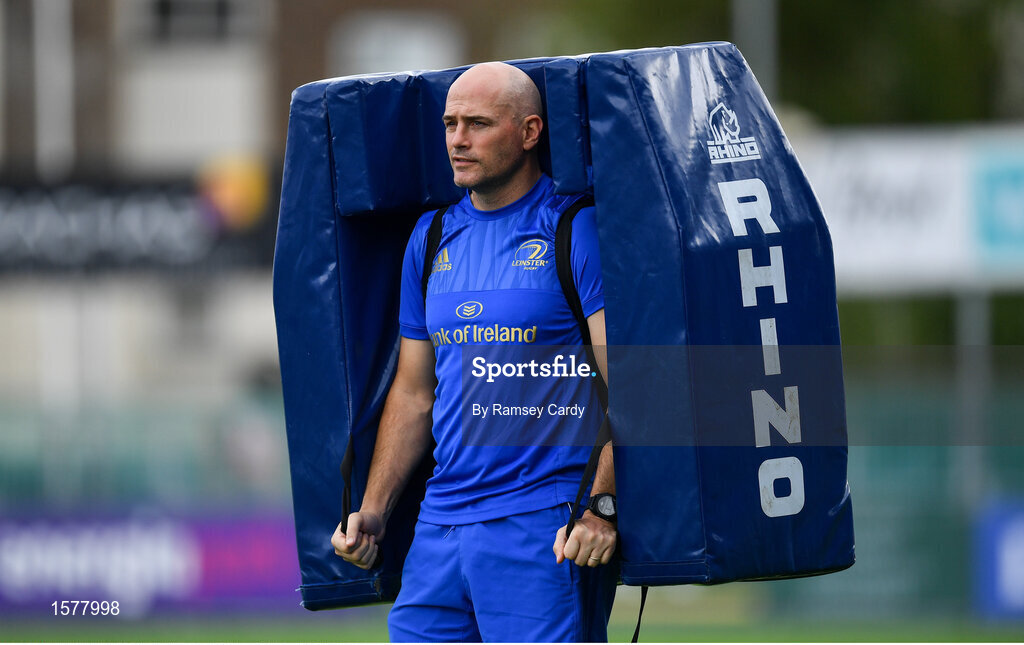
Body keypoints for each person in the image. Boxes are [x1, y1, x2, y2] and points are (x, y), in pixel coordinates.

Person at [331, 61, 618, 642]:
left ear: (530, 131)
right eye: (449, 124)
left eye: (478, 124)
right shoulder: (430, 236)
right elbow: (414, 393)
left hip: (544, 525)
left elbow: (632, 383)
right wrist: (376, 509)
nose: (457, 140)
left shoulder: (575, 229)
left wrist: (603, 506)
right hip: (439, 527)